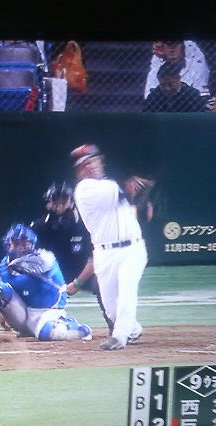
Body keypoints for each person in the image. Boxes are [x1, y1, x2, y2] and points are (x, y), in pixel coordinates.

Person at [0, 223, 92, 343]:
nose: (21, 247)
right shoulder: (5, 264)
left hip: (48, 312)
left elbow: (27, 268)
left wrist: (5, 268)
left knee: (51, 333)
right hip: (22, 313)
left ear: (32, 243)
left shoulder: (45, 258)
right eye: (16, 243)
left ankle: (78, 328)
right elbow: (4, 286)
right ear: (8, 245)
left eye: (25, 243)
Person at [70, 144, 147, 351]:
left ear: (101, 162)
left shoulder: (111, 187)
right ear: (79, 171)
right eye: (85, 164)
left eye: (93, 161)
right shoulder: (85, 189)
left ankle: (119, 337)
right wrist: (139, 185)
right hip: (105, 253)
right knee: (111, 308)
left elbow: (134, 207)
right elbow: (123, 190)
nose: (91, 166)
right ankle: (132, 329)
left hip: (133, 250)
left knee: (127, 288)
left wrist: (142, 202)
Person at [29, 182, 112, 331]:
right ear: (49, 202)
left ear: (71, 201)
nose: (59, 205)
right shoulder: (39, 226)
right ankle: (28, 325)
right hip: (51, 275)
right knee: (25, 281)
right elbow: (28, 259)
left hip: (80, 271)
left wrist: (77, 283)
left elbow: (95, 258)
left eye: (64, 200)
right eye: (55, 200)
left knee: (102, 282)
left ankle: (115, 324)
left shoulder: (85, 225)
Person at [144, 40, 209, 100]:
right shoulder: (156, 67)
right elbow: (149, 94)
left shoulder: (196, 63)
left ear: (182, 46)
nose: (172, 50)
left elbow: (203, 94)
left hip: (189, 101)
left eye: (175, 45)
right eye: (168, 45)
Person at [143, 62, 208, 112]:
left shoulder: (192, 95)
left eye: (170, 84)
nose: (167, 88)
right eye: (162, 85)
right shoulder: (153, 96)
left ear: (178, 78)